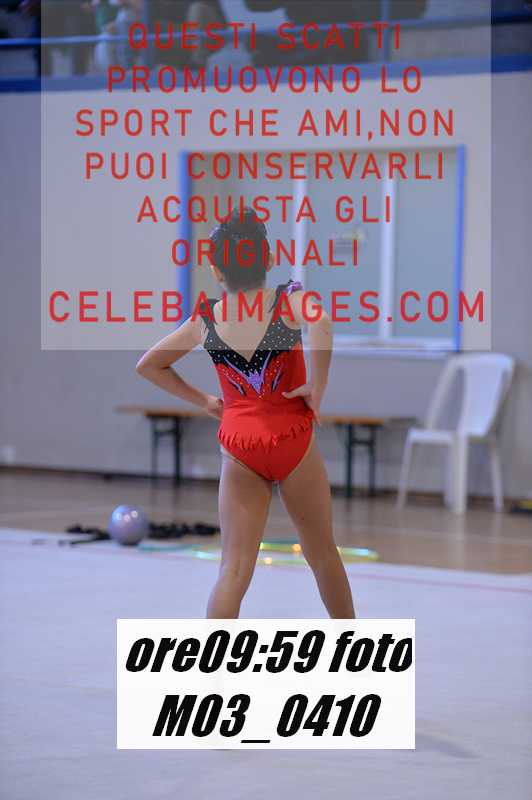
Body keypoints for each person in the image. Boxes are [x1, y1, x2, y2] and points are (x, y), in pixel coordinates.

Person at [136, 208, 356, 620]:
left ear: (217, 271)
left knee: (234, 569)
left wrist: (203, 400)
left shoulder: (205, 319)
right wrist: (318, 387)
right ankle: (352, 646)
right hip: (290, 437)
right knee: (322, 553)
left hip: (240, 446)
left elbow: (149, 365)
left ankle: (215, 657)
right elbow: (322, 323)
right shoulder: (288, 300)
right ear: (269, 258)